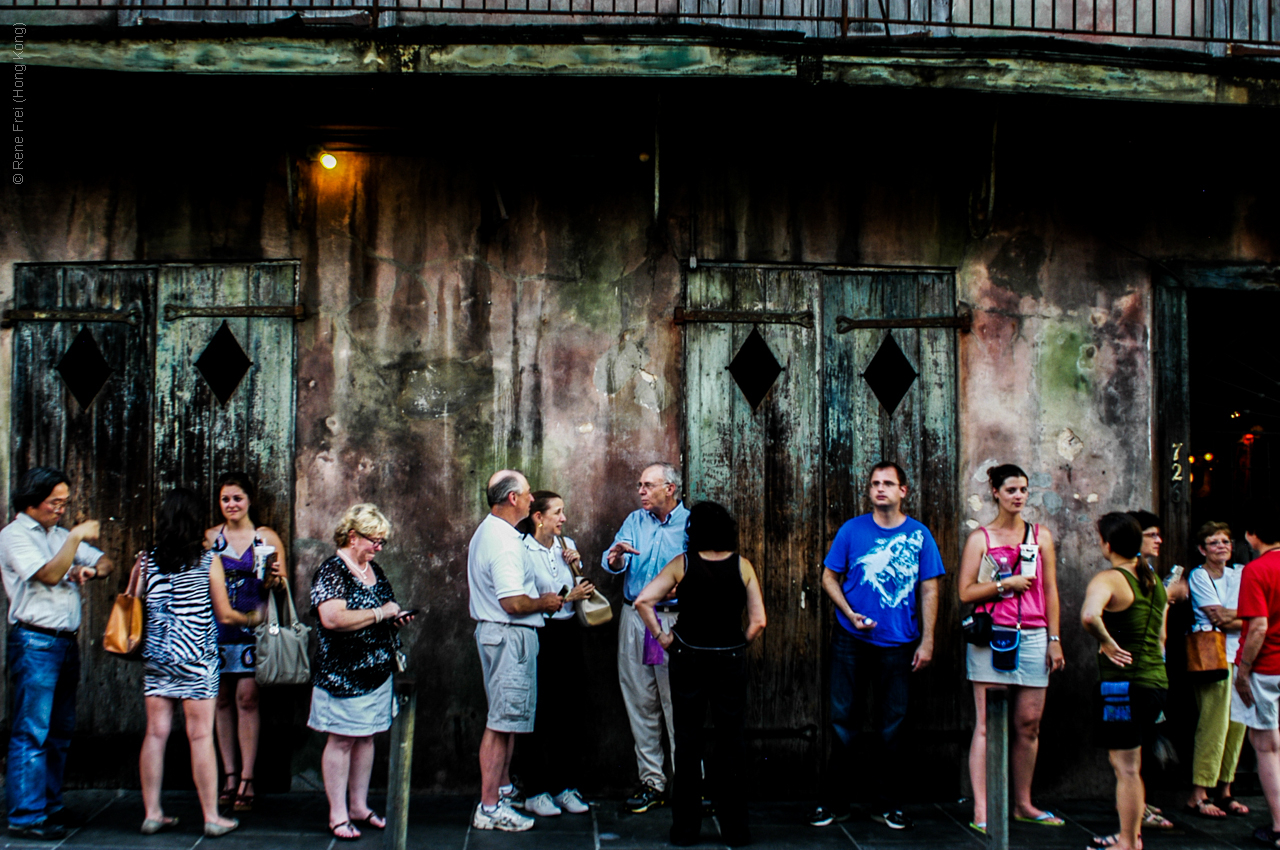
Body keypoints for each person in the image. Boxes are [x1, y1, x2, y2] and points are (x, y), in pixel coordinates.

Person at [810, 461, 943, 831]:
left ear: (903, 491)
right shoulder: (852, 531)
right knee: (841, 723)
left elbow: (930, 587)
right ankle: (835, 804)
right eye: (874, 483)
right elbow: (828, 577)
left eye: (888, 483)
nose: (880, 489)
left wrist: (928, 640)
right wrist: (849, 612)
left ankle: (888, 805)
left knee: (893, 726)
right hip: (850, 640)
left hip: (899, 644)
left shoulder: (920, 535)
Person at [635, 502, 766, 847]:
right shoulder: (743, 566)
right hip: (729, 659)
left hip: (687, 658)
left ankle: (685, 830)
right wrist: (738, 644)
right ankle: (736, 831)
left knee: (688, 742)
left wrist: (665, 639)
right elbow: (758, 621)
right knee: (731, 741)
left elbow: (643, 601)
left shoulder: (682, 564)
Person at [139, 489, 260, 838]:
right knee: (200, 735)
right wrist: (251, 617)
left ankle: (152, 813)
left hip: (159, 656)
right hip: (196, 656)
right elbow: (224, 613)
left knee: (155, 733)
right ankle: (211, 816)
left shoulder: (147, 560)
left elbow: (136, 600)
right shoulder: (209, 561)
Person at [0, 467, 113, 841]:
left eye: (65, 502)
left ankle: (50, 806)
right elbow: (48, 575)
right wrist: (77, 539)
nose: (62, 509)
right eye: (55, 502)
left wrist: (89, 572)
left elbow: (105, 563)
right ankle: (26, 815)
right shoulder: (14, 536)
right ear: (32, 501)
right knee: (32, 730)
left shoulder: (59, 535)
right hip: (34, 642)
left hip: (65, 642)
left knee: (60, 731)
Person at [957, 464, 1065, 833]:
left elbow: (1050, 590)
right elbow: (966, 592)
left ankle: (1022, 803)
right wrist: (1006, 585)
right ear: (995, 492)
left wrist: (1054, 639)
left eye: (1023, 490)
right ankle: (983, 810)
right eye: (1011, 490)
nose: (1018, 496)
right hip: (993, 636)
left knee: (1029, 724)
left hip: (1034, 634)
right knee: (987, 724)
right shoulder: (981, 538)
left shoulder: (1040, 536)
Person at [309, 503, 414, 842]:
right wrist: (381, 613)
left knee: (366, 737)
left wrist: (393, 617)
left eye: (382, 542)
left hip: (376, 673)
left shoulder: (374, 570)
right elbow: (333, 618)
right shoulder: (332, 571)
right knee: (341, 740)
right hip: (343, 675)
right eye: (374, 540)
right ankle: (337, 814)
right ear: (353, 536)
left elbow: (384, 609)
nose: (378, 548)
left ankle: (357, 805)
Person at [468, 470, 563, 832]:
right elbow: (512, 602)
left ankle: (502, 791)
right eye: (526, 494)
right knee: (500, 723)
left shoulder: (492, 532)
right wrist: (545, 601)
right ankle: (490, 807)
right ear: (512, 499)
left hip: (501, 635)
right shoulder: (505, 542)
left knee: (507, 721)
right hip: (510, 635)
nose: (530, 499)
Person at [601, 462, 690, 814]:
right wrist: (615, 557)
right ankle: (653, 782)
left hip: (674, 620)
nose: (640, 491)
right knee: (640, 701)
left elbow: (698, 569)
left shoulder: (690, 524)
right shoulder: (634, 520)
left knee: (678, 704)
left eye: (648, 485)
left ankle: (688, 783)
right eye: (639, 484)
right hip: (636, 619)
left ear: (669, 489)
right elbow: (613, 561)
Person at [1080, 512, 1169, 850]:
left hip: (1122, 687)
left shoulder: (1110, 579)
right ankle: (1129, 835)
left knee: (1126, 768)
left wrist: (1104, 639)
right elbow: (1160, 637)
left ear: (1108, 543)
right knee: (1129, 764)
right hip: (1155, 683)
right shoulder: (1152, 581)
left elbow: (1090, 616)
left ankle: (1129, 842)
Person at [205, 472, 288, 813]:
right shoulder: (211, 538)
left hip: (254, 624)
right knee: (221, 699)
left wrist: (275, 578)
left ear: (249, 500)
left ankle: (248, 777)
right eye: (225, 499)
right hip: (217, 625)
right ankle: (228, 775)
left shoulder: (265, 537)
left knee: (248, 697)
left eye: (237, 498)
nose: (231, 505)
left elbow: (282, 586)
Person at [515, 491, 596, 818]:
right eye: (558, 512)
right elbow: (529, 598)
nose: (563, 518)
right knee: (540, 712)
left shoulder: (566, 544)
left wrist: (577, 570)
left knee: (570, 710)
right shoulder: (522, 550)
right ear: (539, 516)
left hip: (568, 634)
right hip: (539, 635)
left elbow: (580, 588)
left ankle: (565, 787)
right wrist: (569, 594)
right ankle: (535, 790)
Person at [1184, 521, 1249, 819]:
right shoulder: (1199, 576)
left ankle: (1225, 790)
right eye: (1214, 542)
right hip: (1213, 656)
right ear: (1202, 549)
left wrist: (1237, 616)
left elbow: (1257, 614)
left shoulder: (1240, 573)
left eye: (1225, 541)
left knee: (1237, 726)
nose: (1221, 546)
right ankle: (1199, 793)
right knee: (1213, 724)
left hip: (1241, 655)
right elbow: (1219, 617)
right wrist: (1245, 617)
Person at [1230, 506, 1280, 848]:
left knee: (1266, 747)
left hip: (1265, 667)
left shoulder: (1256, 569)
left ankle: (1279, 825)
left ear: (1251, 535)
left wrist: (1244, 671)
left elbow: (1258, 625)